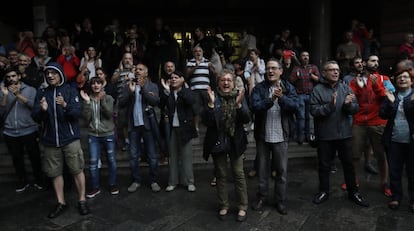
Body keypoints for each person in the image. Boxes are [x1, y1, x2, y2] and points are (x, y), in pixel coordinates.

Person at [31, 62, 90, 218]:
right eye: (48, 73)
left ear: (60, 74)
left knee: (77, 170)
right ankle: (61, 202)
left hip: (70, 139)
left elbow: (76, 114)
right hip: (50, 141)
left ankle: (82, 200)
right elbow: (35, 116)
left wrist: (64, 105)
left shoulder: (70, 91)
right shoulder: (42, 93)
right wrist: (42, 111)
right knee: (55, 173)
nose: (50, 76)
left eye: (53, 73)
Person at [310, 60, 369, 207]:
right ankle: (323, 191)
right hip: (325, 135)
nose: (335, 72)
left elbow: (355, 108)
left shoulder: (345, 88)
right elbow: (314, 111)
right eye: (331, 70)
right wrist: (329, 106)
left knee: (349, 165)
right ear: (324, 73)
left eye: (337, 70)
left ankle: (353, 192)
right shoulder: (317, 90)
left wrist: (348, 105)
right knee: (324, 166)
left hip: (344, 134)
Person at [250, 58, 298, 215]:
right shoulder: (259, 88)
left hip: (281, 136)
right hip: (263, 136)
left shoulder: (288, 87)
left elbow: (295, 106)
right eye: (268, 68)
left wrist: (282, 98)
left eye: (274, 68)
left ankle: (280, 200)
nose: (270, 71)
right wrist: (270, 100)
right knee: (262, 171)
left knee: (281, 172)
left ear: (281, 71)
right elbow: (255, 107)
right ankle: (262, 197)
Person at [202, 69, 250, 222]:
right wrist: (210, 104)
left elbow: (247, 118)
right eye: (223, 80)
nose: (226, 82)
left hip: (235, 140)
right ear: (219, 83)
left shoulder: (239, 96)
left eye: (229, 80)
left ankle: (242, 206)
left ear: (233, 81)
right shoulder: (213, 97)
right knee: (221, 174)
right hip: (218, 141)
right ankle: (224, 205)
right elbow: (207, 122)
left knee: (238, 174)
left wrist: (238, 106)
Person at [347, 54, 392, 197]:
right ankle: (353, 181)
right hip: (359, 122)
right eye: (373, 60)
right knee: (355, 155)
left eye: (377, 61)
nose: (376, 63)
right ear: (365, 63)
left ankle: (384, 183)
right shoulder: (355, 81)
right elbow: (352, 99)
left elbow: (389, 97)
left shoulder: (384, 79)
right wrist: (359, 88)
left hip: (378, 123)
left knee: (381, 156)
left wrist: (376, 85)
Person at [117, 63, 161, 193]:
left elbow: (155, 101)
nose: (137, 71)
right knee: (133, 156)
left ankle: (153, 180)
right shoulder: (128, 85)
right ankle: (136, 180)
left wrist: (143, 89)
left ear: (146, 73)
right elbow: (121, 103)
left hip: (147, 125)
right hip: (133, 126)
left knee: (152, 155)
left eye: (141, 69)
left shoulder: (152, 86)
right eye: (136, 69)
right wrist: (130, 93)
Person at [0, 66, 45, 192]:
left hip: (29, 129)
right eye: (8, 77)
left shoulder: (30, 89)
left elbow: (34, 107)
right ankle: (22, 181)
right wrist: (4, 95)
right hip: (10, 131)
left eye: (13, 76)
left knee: (34, 157)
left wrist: (18, 95)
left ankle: (39, 180)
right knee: (16, 158)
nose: (11, 79)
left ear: (19, 76)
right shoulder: (2, 90)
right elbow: (1, 111)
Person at [380, 69, 414, 213]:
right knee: (395, 171)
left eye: (405, 77)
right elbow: (382, 114)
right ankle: (396, 197)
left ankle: (413, 200)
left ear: (411, 81)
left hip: (411, 141)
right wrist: (390, 103)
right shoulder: (391, 95)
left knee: (412, 172)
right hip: (394, 140)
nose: (402, 79)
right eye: (399, 77)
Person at [80, 77, 119, 198]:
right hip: (93, 135)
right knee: (93, 163)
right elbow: (86, 118)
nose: (96, 85)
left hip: (108, 134)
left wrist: (102, 101)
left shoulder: (108, 98)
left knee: (111, 160)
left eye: (98, 83)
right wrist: (86, 103)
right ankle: (95, 187)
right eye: (93, 84)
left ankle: (112, 184)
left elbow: (109, 114)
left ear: (102, 85)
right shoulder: (88, 99)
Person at [160, 70, 198, 192]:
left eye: (176, 77)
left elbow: (190, 101)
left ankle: (189, 182)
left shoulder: (186, 91)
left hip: (185, 129)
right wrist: (167, 91)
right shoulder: (169, 93)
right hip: (173, 128)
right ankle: (173, 181)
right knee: (173, 156)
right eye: (172, 78)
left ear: (182, 79)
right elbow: (162, 105)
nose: (173, 79)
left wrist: (180, 90)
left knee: (186, 156)